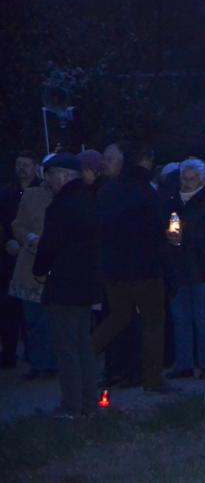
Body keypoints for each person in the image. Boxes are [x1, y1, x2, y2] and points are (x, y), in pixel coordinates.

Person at [92, 141, 174, 393]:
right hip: (145, 269)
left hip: (115, 270)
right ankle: (152, 380)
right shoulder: (148, 191)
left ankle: (82, 359)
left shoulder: (107, 191)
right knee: (152, 324)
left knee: (117, 318)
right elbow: (160, 230)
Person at [32, 153, 100, 419]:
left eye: (50, 175)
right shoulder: (89, 200)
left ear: (63, 175)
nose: (48, 181)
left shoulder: (61, 205)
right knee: (82, 344)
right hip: (85, 283)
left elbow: (49, 245)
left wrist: (39, 268)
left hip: (64, 284)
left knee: (66, 346)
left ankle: (72, 405)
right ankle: (89, 402)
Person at [164, 159, 205, 380]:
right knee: (180, 316)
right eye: (185, 177)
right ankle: (184, 364)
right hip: (178, 267)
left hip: (203, 266)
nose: (188, 181)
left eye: (193, 177)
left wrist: (185, 236)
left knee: (203, 316)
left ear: (203, 179)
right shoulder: (172, 201)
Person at [8, 155, 56, 379]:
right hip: (32, 265)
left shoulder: (71, 196)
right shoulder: (31, 195)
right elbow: (18, 224)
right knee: (34, 319)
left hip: (59, 267)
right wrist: (28, 238)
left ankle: (56, 362)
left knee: (55, 319)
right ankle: (38, 363)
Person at [0, 150, 41, 369]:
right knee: (8, 306)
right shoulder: (7, 193)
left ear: (34, 167)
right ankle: (9, 353)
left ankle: (34, 354)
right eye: (19, 164)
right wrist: (7, 241)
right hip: (10, 256)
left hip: (34, 254)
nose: (22, 169)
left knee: (32, 306)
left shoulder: (42, 191)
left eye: (26, 164)